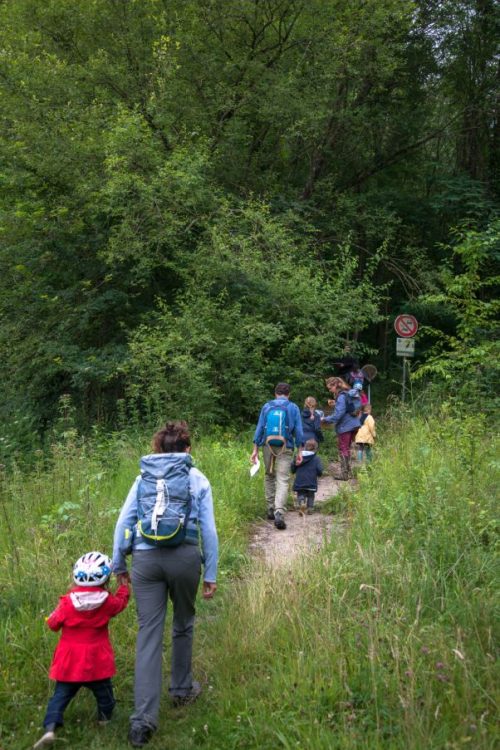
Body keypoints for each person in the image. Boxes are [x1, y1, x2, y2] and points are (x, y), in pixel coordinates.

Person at [112, 420, 218, 748]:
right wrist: (210, 572)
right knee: (183, 624)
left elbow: (123, 522)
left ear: (157, 448)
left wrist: (119, 563)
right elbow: (209, 531)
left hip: (145, 560)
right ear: (187, 449)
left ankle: (142, 721)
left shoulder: (142, 477)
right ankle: (182, 690)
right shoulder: (196, 477)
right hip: (185, 557)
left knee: (148, 635)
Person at [34, 552, 129, 749]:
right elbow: (121, 604)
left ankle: (50, 729)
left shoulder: (67, 602)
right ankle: (104, 722)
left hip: (69, 660)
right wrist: (124, 587)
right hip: (97, 660)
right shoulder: (107, 601)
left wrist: (53, 616)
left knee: (60, 696)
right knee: (105, 695)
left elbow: (53, 624)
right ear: (104, 578)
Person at [250, 382, 304, 530]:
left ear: (275, 393)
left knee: (269, 475)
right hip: (286, 446)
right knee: (283, 479)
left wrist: (255, 449)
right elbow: (298, 431)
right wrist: (300, 451)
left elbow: (260, 427)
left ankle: (270, 509)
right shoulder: (293, 407)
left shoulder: (267, 406)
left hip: (267, 445)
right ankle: (279, 511)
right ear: (289, 394)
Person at [322, 377, 361, 480]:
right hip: (354, 423)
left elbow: (338, 414)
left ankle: (344, 474)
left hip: (345, 426)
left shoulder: (341, 396)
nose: (330, 390)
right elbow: (346, 407)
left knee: (343, 448)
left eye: (330, 388)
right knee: (347, 448)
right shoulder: (346, 393)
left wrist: (325, 419)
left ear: (336, 385)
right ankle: (348, 472)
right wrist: (335, 404)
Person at [291, 438, 323, 514]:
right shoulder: (316, 458)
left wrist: (293, 471)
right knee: (311, 495)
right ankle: (310, 508)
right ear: (315, 448)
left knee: (300, 494)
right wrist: (319, 474)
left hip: (300, 481)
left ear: (305, 446)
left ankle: (301, 502)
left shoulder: (299, 457)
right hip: (311, 481)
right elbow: (319, 470)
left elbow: (293, 465)